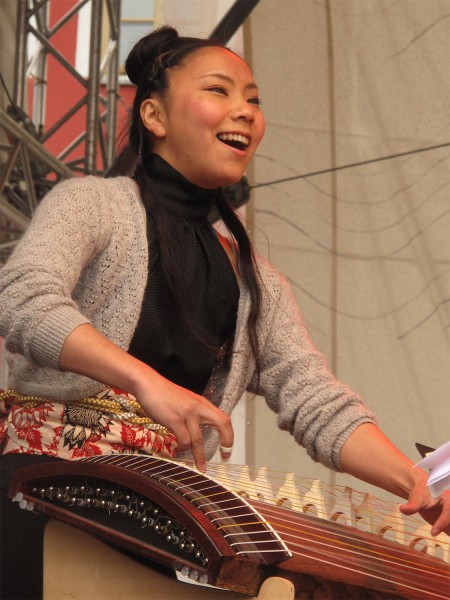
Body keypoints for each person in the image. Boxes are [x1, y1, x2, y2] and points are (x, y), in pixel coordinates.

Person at [0, 25, 448, 600]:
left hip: (169, 519)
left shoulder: (253, 279)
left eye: (254, 99)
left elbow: (316, 400)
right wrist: (145, 381)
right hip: (45, 495)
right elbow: (24, 297)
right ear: (154, 117)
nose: (244, 111)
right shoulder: (91, 205)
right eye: (220, 90)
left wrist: (422, 486)